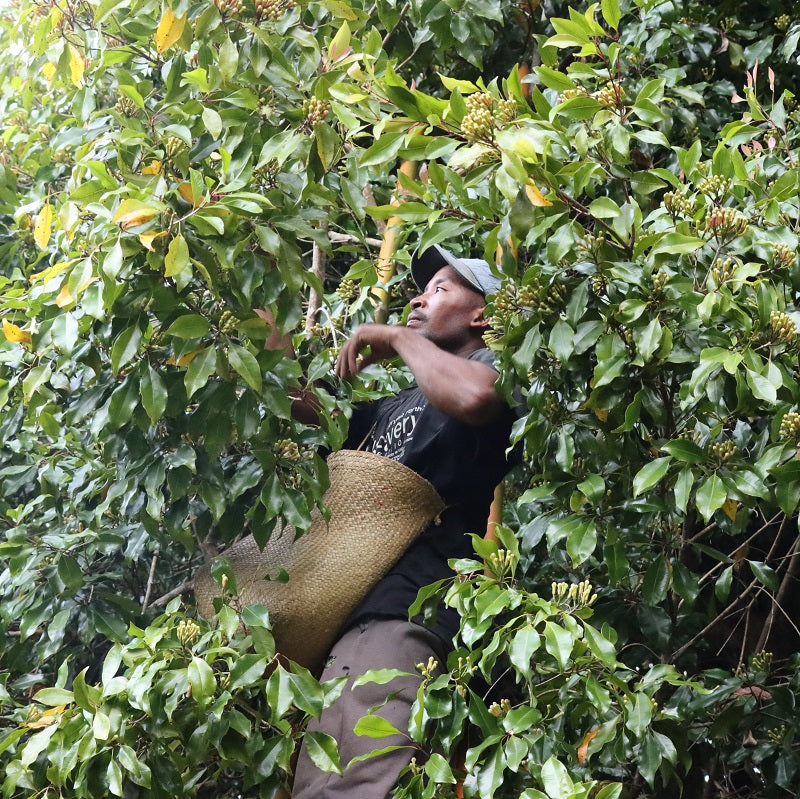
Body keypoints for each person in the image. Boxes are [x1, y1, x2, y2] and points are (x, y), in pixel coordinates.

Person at [287, 244, 520, 799]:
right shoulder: (398, 405)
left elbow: (476, 395)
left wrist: (394, 337)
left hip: (409, 612)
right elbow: (298, 400)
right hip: (358, 619)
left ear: (482, 316)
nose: (419, 297)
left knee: (353, 786)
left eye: (441, 289)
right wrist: (264, 280)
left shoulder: (491, 369)